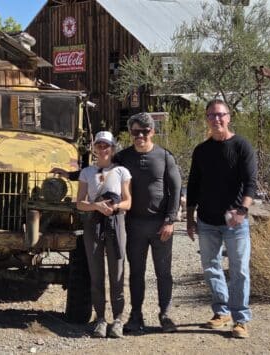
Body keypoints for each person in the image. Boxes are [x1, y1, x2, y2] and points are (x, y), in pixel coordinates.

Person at [186, 99, 258, 339]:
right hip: (207, 220)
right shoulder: (202, 150)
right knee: (211, 268)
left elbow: (250, 183)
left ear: (229, 117)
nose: (216, 119)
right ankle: (221, 312)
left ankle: (241, 319)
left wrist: (242, 211)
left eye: (220, 115)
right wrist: (189, 217)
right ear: (206, 119)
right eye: (211, 115)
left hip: (235, 221)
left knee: (239, 270)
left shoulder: (241, 146)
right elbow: (193, 185)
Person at [114, 113, 182, 334]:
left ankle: (166, 314)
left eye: (145, 131)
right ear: (130, 133)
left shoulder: (164, 157)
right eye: (135, 132)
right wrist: (71, 173)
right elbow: (102, 172)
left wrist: (170, 220)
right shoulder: (123, 157)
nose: (140, 135)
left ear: (152, 132)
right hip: (134, 226)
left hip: (161, 226)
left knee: (164, 272)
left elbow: (176, 189)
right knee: (136, 273)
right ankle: (136, 316)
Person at [75, 131, 132, 338]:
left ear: (112, 148)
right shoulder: (86, 172)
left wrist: (116, 207)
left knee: (117, 271)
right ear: (94, 148)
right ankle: (100, 318)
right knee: (96, 272)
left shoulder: (121, 171)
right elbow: (80, 202)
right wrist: (95, 206)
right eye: (99, 145)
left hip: (115, 222)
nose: (102, 149)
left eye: (106, 145)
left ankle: (118, 319)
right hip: (93, 223)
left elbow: (128, 201)